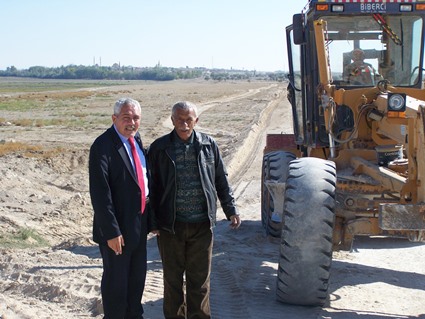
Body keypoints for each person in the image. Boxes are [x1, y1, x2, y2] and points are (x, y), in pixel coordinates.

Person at [148, 101, 241, 319]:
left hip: (202, 226)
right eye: (179, 119)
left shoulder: (209, 145)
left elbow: (221, 180)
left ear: (196, 121)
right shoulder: (159, 148)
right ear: (172, 121)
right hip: (171, 226)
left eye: (188, 119)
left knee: (199, 283)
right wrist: (153, 223)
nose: (184, 123)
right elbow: (151, 187)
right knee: (172, 283)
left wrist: (231, 209)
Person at [89, 97, 151, 319]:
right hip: (117, 231)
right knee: (116, 286)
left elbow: (142, 182)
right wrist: (112, 231)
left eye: (136, 118)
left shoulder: (136, 140)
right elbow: (100, 194)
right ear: (114, 118)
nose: (132, 122)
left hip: (138, 225)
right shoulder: (103, 146)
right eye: (126, 117)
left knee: (136, 283)